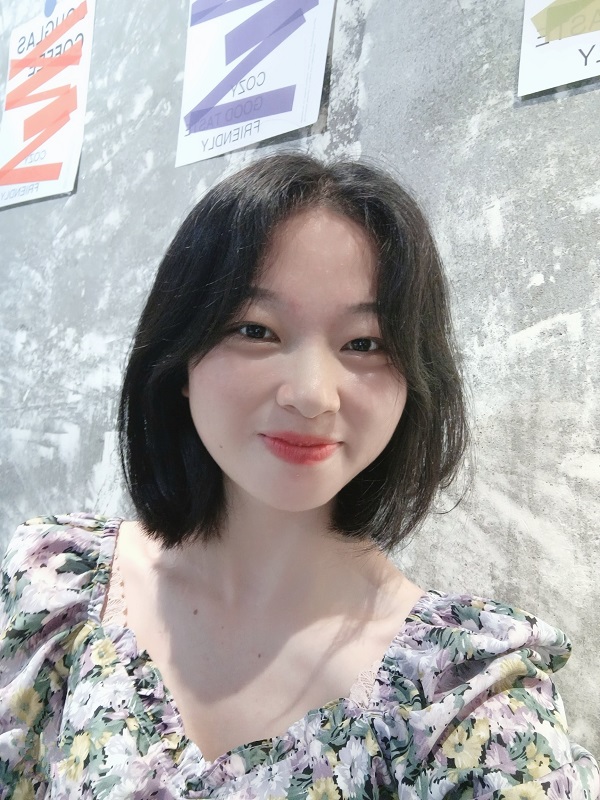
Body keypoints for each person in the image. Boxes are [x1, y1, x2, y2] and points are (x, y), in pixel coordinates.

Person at [0, 154, 597, 800]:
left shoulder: (464, 694)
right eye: (256, 330)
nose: (313, 394)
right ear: (180, 356)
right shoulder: (60, 589)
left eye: (364, 343)